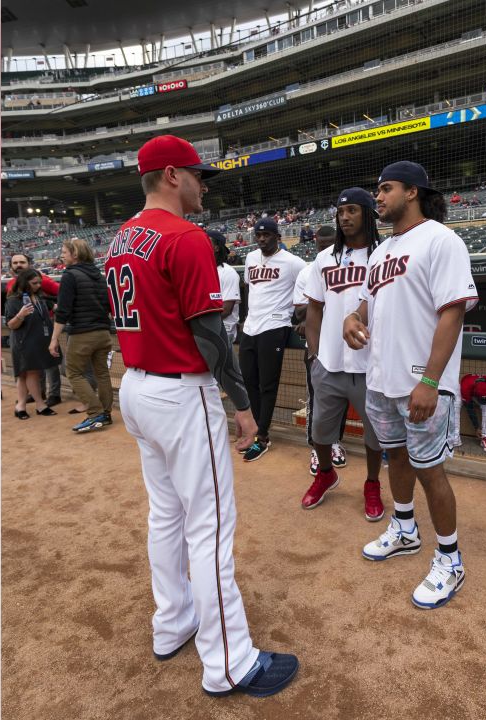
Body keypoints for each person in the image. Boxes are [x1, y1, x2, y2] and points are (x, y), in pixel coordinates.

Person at [106, 134, 298, 697]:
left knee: (166, 515)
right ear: (170, 175)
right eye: (196, 174)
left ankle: (172, 623)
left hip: (137, 391)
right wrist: (243, 407)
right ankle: (231, 663)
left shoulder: (122, 236)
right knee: (209, 526)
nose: (202, 184)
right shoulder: (184, 237)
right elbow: (210, 334)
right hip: (180, 394)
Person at [343, 160, 478, 609]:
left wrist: (431, 381)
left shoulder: (442, 239)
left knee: (430, 469)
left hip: (421, 382)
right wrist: (351, 318)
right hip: (382, 379)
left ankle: (450, 559)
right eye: (377, 190)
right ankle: (404, 528)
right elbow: (365, 306)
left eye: (386, 189)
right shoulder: (381, 252)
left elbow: (453, 313)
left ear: (413, 192)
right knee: (394, 456)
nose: (377, 198)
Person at [301, 189, 387, 519]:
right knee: (321, 431)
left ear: (367, 213)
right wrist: (314, 353)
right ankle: (326, 473)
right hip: (330, 363)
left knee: (374, 434)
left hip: (371, 366)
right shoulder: (324, 260)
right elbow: (314, 310)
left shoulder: (383, 255)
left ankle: (371, 483)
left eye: (352, 210)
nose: (345, 217)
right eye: (340, 212)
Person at [238, 216, 306, 462]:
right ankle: (256, 428)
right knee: (249, 381)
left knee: (268, 384)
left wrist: (302, 319)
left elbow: (311, 287)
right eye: (258, 235)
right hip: (251, 327)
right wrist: (246, 317)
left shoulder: (293, 262)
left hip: (275, 326)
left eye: (266, 235)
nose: (262, 239)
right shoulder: (250, 258)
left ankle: (263, 437)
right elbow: (250, 289)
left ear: (278, 237)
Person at [294, 224, 348, 477]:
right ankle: (316, 447)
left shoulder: (349, 266)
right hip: (317, 347)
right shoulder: (308, 271)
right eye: (320, 245)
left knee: (343, 399)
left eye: (329, 244)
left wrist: (321, 304)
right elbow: (300, 311)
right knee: (316, 399)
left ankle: (335, 441)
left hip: (346, 345)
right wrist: (327, 301)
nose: (324, 249)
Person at [49, 237, 115, 433]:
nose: (61, 255)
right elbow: (108, 306)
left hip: (82, 333)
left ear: (75, 254)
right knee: (102, 373)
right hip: (103, 332)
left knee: (74, 373)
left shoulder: (70, 275)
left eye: (64, 251)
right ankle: (106, 413)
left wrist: (53, 339)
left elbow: (63, 311)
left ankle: (96, 414)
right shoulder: (99, 275)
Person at [4, 252, 63, 407]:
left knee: (49, 361)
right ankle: (39, 393)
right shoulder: (12, 283)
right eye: (15, 263)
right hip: (24, 328)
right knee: (35, 364)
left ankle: (54, 394)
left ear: (28, 264)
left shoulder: (41, 279)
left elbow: (61, 291)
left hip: (43, 323)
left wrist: (52, 308)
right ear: (11, 266)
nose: (18, 265)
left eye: (22, 262)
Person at [208, 230, 242, 345]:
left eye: (207, 242)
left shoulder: (228, 272)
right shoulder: (204, 270)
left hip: (224, 329)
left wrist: (203, 323)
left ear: (217, 248)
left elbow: (226, 309)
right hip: (208, 327)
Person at [459, 373, 486, 453]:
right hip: (469, 391)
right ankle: (453, 437)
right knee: (456, 404)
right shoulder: (465, 387)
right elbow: (469, 408)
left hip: (483, 391)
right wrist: (476, 427)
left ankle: (485, 438)